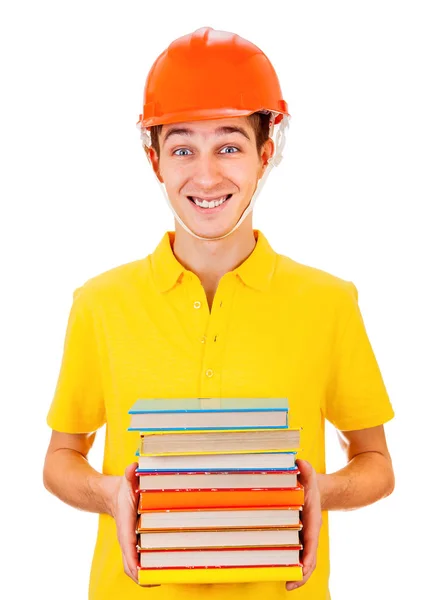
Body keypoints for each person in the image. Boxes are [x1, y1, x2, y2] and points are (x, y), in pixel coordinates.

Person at [43, 26, 395, 600]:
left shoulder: (328, 302)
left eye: (228, 145)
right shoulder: (99, 304)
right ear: (155, 160)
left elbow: (376, 461)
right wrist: (110, 492)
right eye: (183, 148)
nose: (206, 176)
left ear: (265, 153)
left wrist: (323, 488)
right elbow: (61, 457)